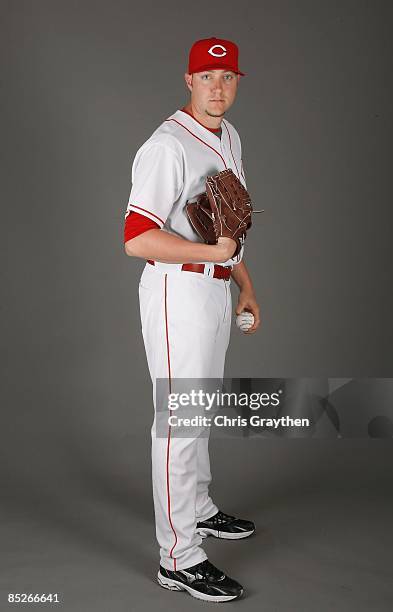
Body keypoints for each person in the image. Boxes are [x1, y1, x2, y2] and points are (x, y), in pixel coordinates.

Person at [124, 37, 260, 603]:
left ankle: (198, 509)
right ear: (188, 79)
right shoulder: (166, 146)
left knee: (201, 409)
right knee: (179, 422)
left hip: (213, 291)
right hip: (176, 292)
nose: (218, 87)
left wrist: (245, 286)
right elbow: (137, 239)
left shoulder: (228, 136)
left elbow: (228, 233)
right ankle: (176, 558)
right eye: (207, 76)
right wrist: (218, 256)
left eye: (227, 77)